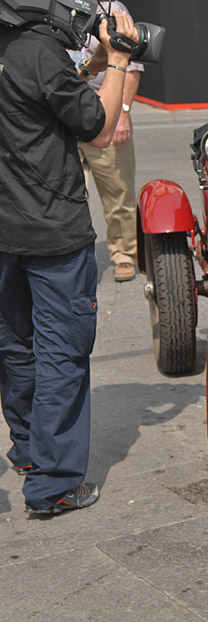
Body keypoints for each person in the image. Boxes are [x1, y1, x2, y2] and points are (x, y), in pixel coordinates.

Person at [1, 8, 139, 514]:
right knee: (61, 349)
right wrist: (119, 61)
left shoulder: (20, 51)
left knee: (15, 345)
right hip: (51, 228)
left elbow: (35, 99)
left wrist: (87, 67)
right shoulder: (39, 51)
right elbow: (98, 129)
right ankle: (54, 483)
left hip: (6, 230)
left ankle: (29, 455)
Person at [74, 0, 144, 283]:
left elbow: (132, 66)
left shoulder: (112, 8)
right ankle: (74, 257)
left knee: (117, 191)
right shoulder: (52, 6)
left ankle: (124, 255)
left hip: (104, 108)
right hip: (63, 110)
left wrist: (123, 114)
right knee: (68, 194)